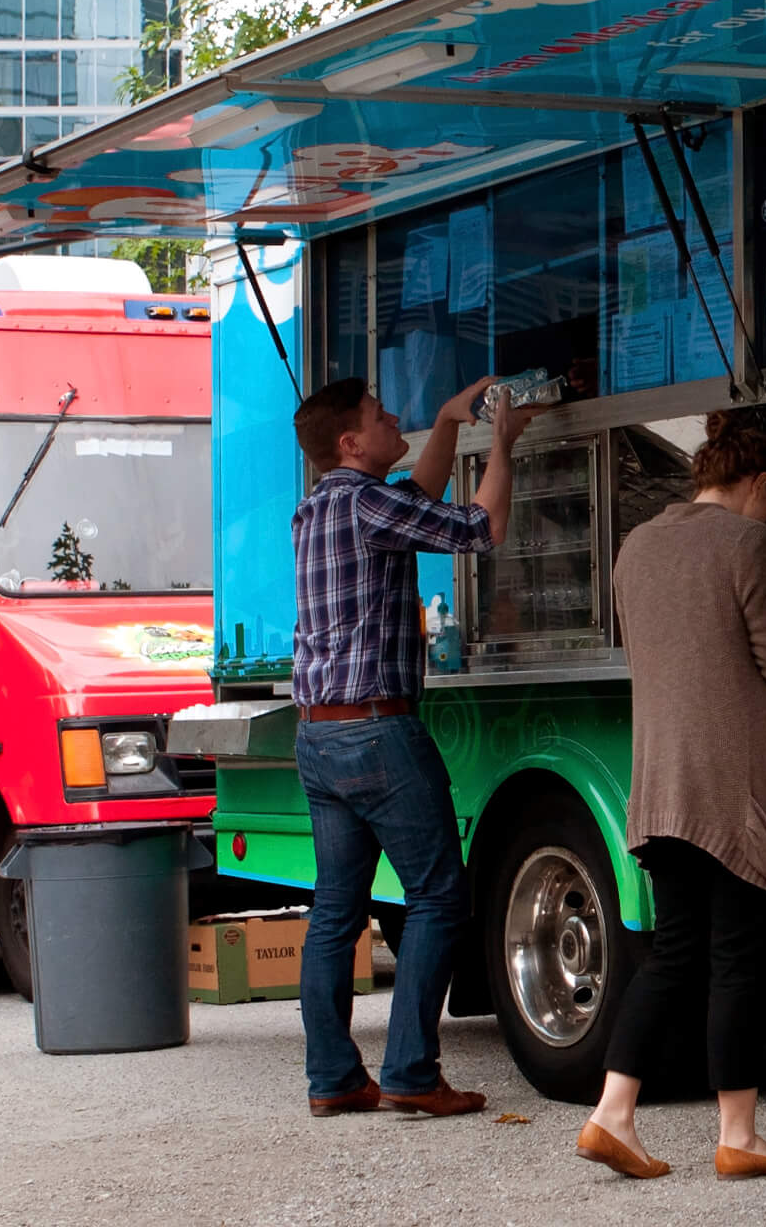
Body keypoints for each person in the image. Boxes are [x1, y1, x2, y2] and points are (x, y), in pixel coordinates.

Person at [576, 412, 766, 1181]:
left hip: (663, 781)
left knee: (672, 956)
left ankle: (612, 1114)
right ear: (757, 481)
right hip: (734, 787)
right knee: (740, 963)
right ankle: (738, 1136)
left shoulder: (638, 543)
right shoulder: (745, 543)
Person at [289, 374, 541, 1119]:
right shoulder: (368, 502)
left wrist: (443, 423)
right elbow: (478, 529)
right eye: (378, 415)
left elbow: (417, 499)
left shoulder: (321, 506)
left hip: (320, 734)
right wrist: (501, 443)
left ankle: (333, 1080)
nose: (390, 417)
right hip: (377, 732)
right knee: (437, 896)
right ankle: (409, 1071)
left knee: (336, 912)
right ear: (350, 442)